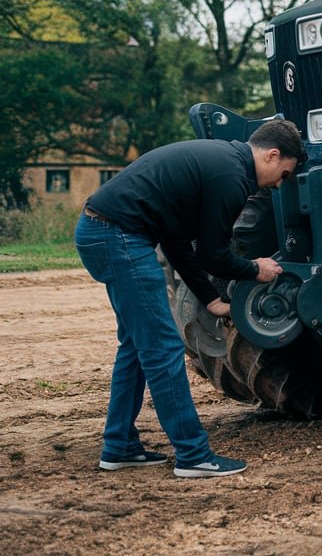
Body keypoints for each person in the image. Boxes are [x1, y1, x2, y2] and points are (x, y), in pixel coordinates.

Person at [75, 120, 304, 477]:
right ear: (273, 155)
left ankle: (118, 446)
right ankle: (193, 455)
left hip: (100, 231)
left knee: (136, 346)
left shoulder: (223, 162)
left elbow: (177, 241)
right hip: (119, 237)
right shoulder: (233, 178)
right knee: (163, 347)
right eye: (284, 173)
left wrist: (211, 299)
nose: (279, 184)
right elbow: (214, 256)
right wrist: (254, 269)